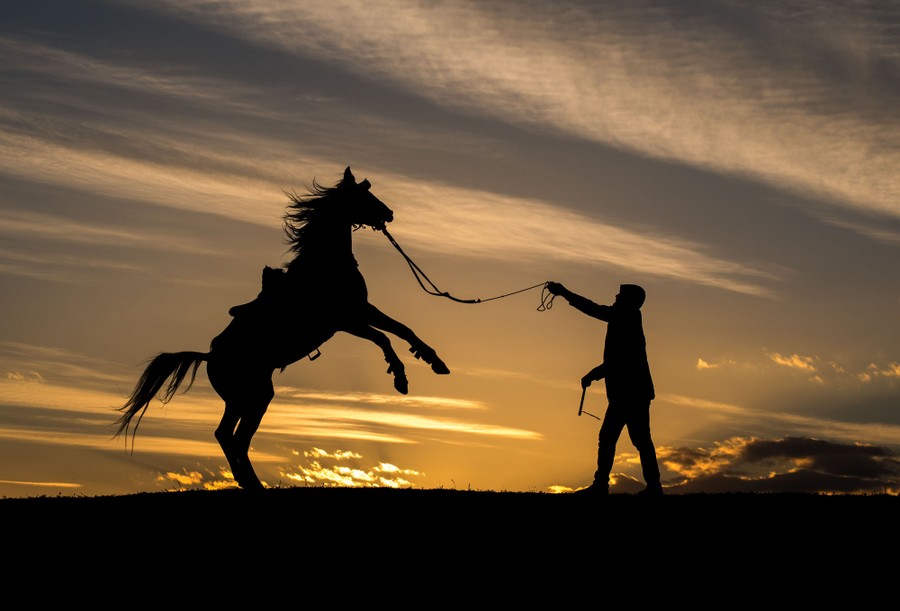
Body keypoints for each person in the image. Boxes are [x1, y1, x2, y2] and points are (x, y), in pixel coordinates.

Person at [546, 281, 663, 496]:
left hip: (630, 394)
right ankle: (638, 486)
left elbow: (594, 310)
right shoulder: (626, 318)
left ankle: (612, 486)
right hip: (629, 393)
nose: (616, 297)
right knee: (624, 439)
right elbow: (617, 361)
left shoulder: (625, 317)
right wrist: (594, 375)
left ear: (629, 301)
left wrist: (563, 292)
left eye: (620, 295)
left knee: (628, 439)